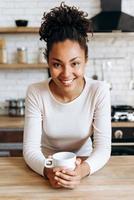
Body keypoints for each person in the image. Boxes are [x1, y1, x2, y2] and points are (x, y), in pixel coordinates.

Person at [23, 2, 111, 189]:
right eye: (57, 64)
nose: (66, 73)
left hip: (86, 166)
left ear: (86, 60)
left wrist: (81, 170)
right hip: (45, 166)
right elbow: (30, 150)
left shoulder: (99, 91)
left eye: (75, 63)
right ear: (47, 62)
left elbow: (103, 149)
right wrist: (48, 171)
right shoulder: (36, 92)